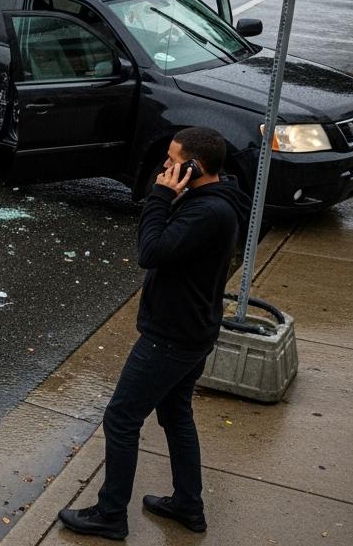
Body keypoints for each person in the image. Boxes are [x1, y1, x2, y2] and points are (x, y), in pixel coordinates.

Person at [58, 127, 250, 540]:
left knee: (122, 419)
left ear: (195, 166)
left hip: (172, 337)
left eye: (172, 159)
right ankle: (187, 505)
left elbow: (151, 252)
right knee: (176, 413)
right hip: (193, 330)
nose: (165, 166)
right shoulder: (213, 199)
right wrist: (171, 195)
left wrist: (162, 198)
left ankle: (110, 515)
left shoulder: (206, 213)